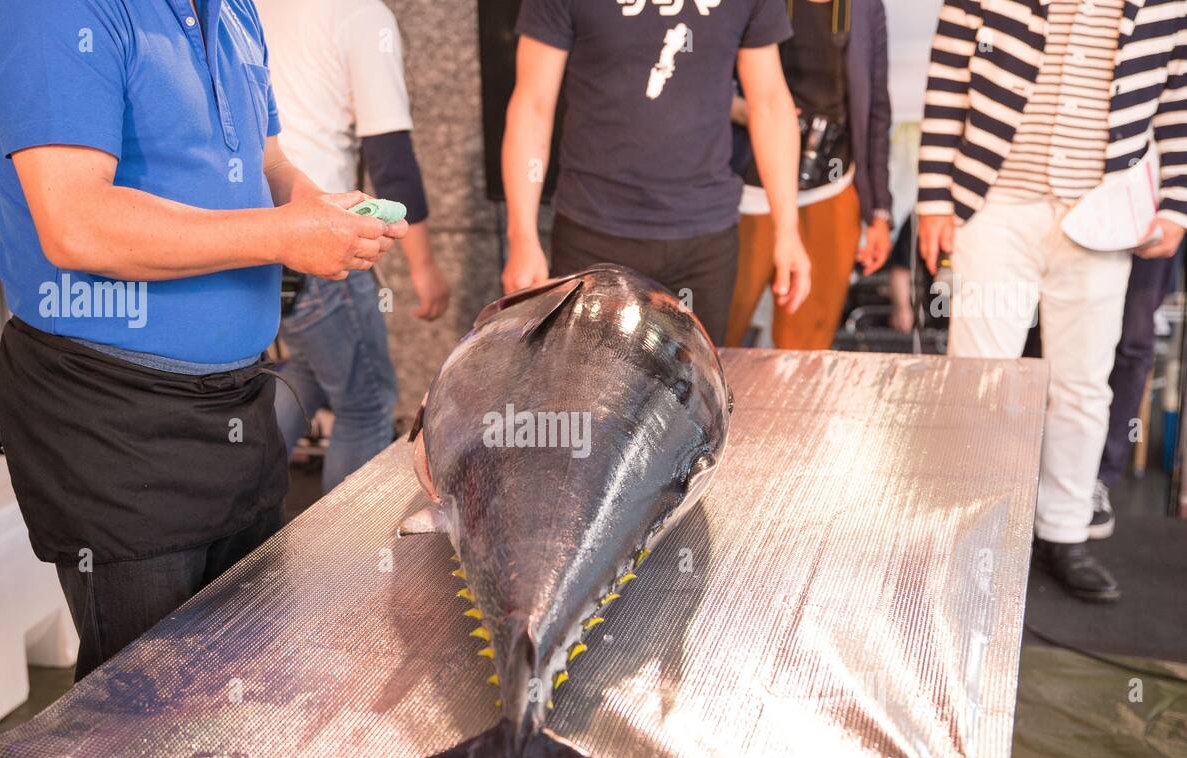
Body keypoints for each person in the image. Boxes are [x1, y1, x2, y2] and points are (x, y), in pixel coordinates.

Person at [0, 0, 406, 679]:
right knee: (144, 708)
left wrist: (316, 212)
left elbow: (268, 161)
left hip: (235, 403)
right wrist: (285, 237)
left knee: (246, 678)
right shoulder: (51, 11)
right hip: (109, 416)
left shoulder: (231, 8)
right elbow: (78, 222)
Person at [917, 0, 1187, 604]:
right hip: (995, 205)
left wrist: (1176, 203)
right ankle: (972, 528)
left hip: (1103, 210)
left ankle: (1063, 531)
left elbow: (1176, 100)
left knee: (1083, 384)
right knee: (981, 379)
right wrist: (934, 196)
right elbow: (946, 78)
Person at [502, 0, 812, 343]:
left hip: (705, 241)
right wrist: (522, 235)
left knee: (695, 389)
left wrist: (787, 228)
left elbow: (769, 101)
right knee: (586, 387)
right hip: (594, 233)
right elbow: (533, 105)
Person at [256, 0, 450, 494]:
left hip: (262, 234)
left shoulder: (251, 7)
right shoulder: (363, 16)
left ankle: (230, 499)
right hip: (320, 241)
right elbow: (391, 159)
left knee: (308, 372)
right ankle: (340, 562)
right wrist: (423, 267)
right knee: (365, 402)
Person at [725, 0, 892, 350]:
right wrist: (747, 111)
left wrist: (879, 211)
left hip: (830, 187)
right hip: (747, 191)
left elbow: (876, 107)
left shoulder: (864, 7)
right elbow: (700, 77)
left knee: (807, 349)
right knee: (716, 335)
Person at [1090, 253, 1178, 538]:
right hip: (1071, 219)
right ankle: (1042, 473)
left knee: (1133, 345)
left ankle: (1099, 476)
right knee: (1054, 340)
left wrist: (1176, 213)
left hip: (1148, 226)